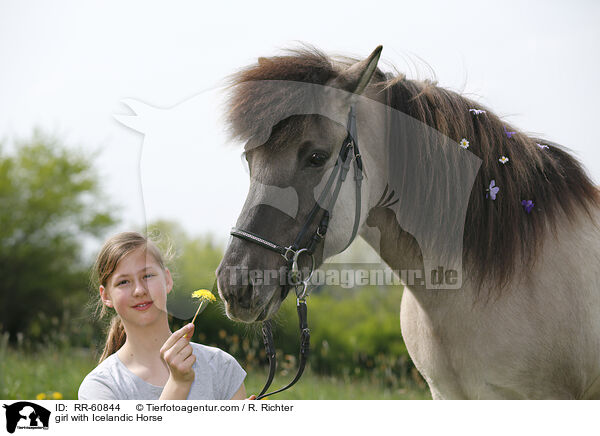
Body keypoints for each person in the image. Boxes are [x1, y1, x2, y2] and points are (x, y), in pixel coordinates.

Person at [78, 231, 254, 400]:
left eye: (147, 275)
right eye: (123, 282)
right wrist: (178, 383)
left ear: (167, 280)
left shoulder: (221, 367)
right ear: (106, 296)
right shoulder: (100, 387)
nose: (139, 290)